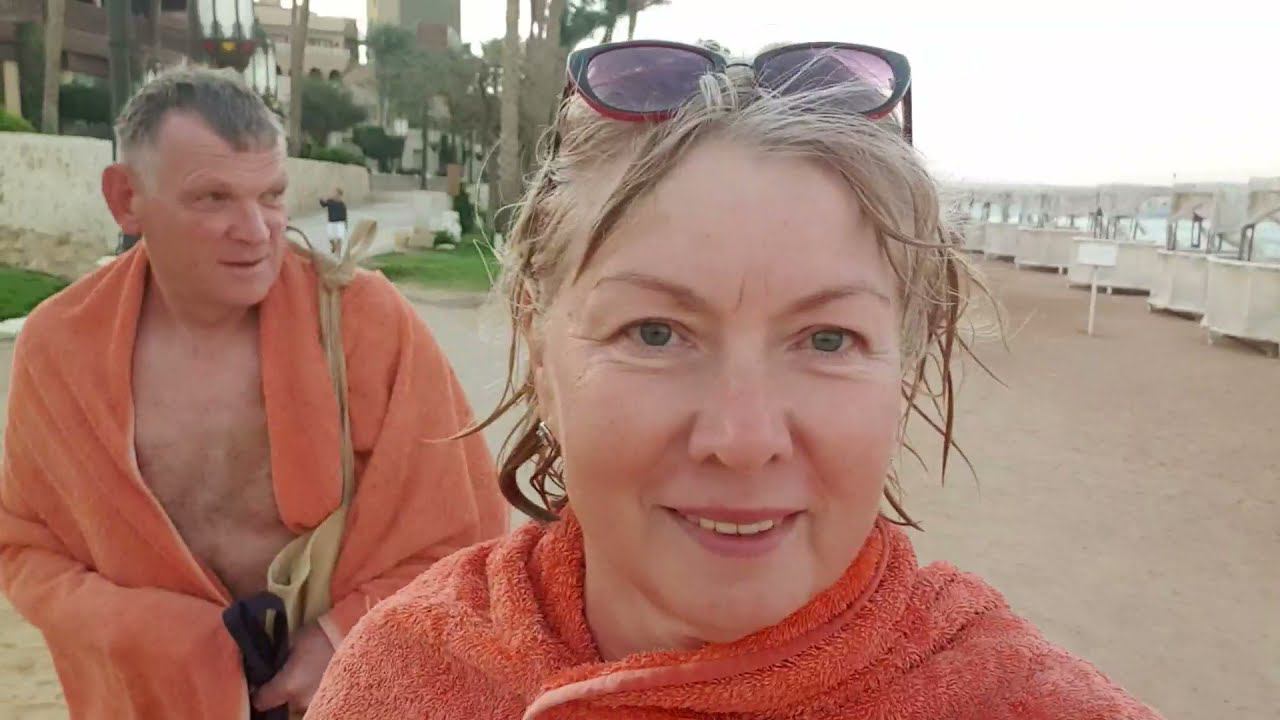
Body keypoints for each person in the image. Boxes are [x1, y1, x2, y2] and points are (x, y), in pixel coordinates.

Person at [308, 41, 1162, 719]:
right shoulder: (405, 676)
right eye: (655, 332)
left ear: (904, 366)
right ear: (540, 348)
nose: (743, 441)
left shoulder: (1019, 701)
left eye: (827, 338)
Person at [0, 67, 507, 718]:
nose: (256, 229)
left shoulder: (364, 323)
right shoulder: (60, 348)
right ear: (126, 199)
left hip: (348, 692)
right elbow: (28, 547)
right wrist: (171, 641)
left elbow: (467, 532)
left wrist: (341, 638)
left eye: (270, 195)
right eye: (213, 198)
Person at [320, 188, 348, 254]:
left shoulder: (342, 204)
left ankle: (338, 254)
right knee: (330, 237)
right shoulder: (330, 201)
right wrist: (321, 199)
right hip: (331, 222)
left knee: (339, 239)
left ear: (339, 195)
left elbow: (345, 215)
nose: (333, 194)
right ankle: (334, 246)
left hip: (340, 223)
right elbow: (323, 204)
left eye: (335, 193)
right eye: (333, 193)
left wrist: (345, 224)